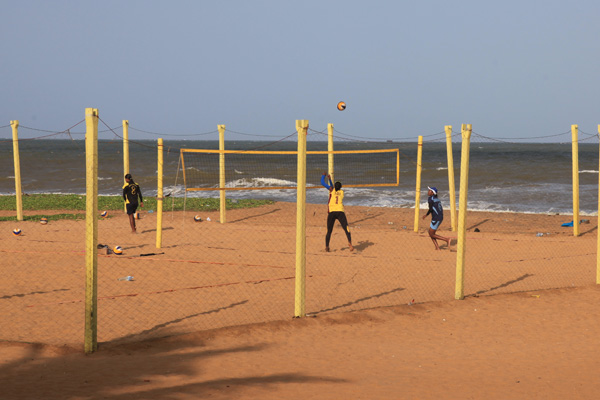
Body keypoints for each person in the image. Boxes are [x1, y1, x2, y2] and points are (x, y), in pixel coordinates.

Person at [321, 172, 354, 252]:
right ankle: (350, 243)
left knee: (329, 231)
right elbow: (335, 187)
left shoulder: (331, 190)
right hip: (340, 212)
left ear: (334, 187)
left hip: (332, 212)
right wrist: (330, 180)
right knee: (346, 228)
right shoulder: (342, 192)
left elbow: (322, 183)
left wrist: (323, 176)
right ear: (340, 187)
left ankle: (327, 246)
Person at [422, 186, 451, 250]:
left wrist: (426, 215)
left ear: (432, 193)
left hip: (436, 218)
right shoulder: (437, 198)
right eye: (428, 190)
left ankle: (447, 240)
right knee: (430, 232)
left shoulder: (430, 199)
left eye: (430, 191)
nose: (428, 191)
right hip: (440, 217)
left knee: (431, 234)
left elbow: (430, 208)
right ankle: (437, 247)